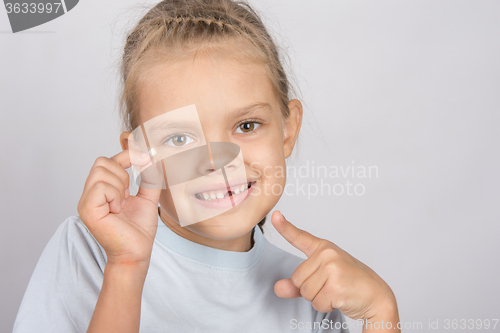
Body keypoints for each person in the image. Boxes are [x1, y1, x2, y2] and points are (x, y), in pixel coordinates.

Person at [13, 0, 400, 332]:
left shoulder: (310, 292)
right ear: (139, 156)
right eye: (179, 139)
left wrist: (381, 312)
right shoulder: (88, 251)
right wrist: (126, 268)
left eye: (246, 126)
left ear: (287, 130)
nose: (218, 161)